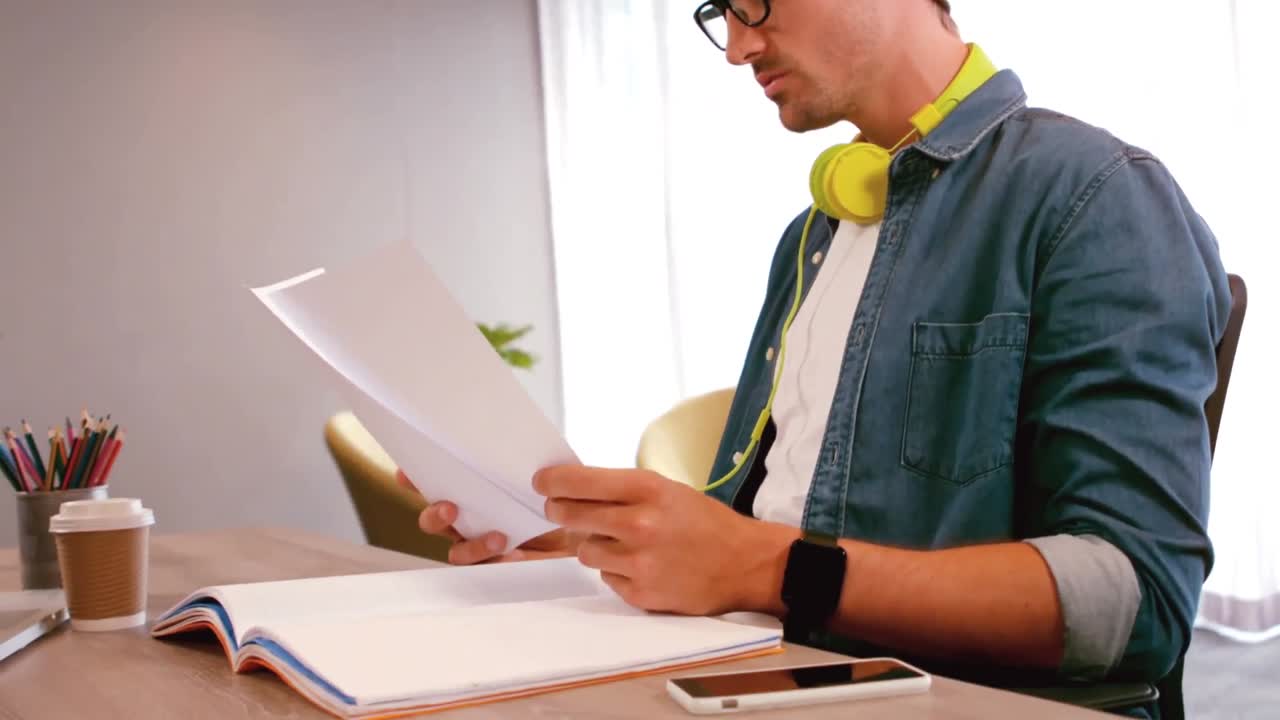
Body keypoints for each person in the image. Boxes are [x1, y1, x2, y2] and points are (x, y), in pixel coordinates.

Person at [398, 1, 1231, 715]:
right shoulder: (815, 235)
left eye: (755, 3)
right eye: (720, 14)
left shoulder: (1095, 195)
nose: (736, 47)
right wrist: (585, 541)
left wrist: (765, 568)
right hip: (782, 671)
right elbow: (770, 524)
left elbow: (1136, 602)